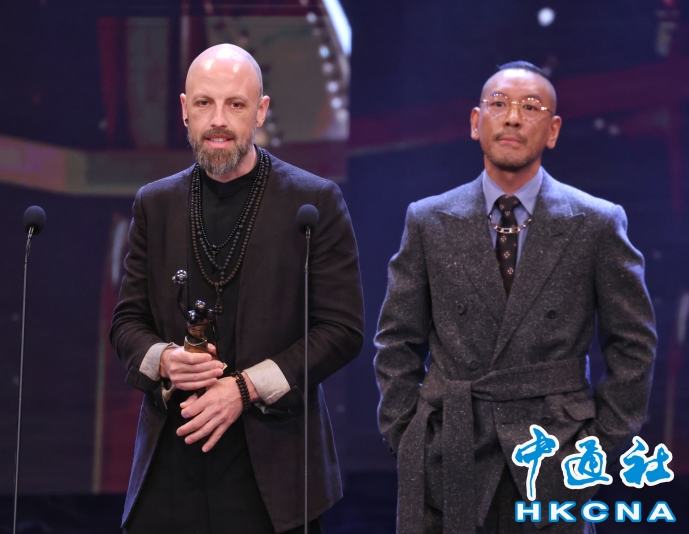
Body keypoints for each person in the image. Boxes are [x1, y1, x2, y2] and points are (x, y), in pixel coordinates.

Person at [373, 61, 657, 534]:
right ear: (475, 121)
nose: (512, 118)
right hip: (452, 447)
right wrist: (409, 437)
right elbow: (396, 341)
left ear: (553, 130)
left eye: (531, 107)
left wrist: (601, 444)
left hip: (557, 448)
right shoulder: (427, 220)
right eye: (498, 104)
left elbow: (634, 345)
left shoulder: (597, 222)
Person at [110, 44, 364, 534]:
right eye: (204, 103)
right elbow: (127, 324)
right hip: (170, 469)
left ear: (261, 111)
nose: (219, 121)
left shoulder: (314, 201)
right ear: (184, 110)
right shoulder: (155, 204)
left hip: (274, 472)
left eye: (236, 104)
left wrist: (244, 389)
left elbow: (341, 330)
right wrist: (164, 359)